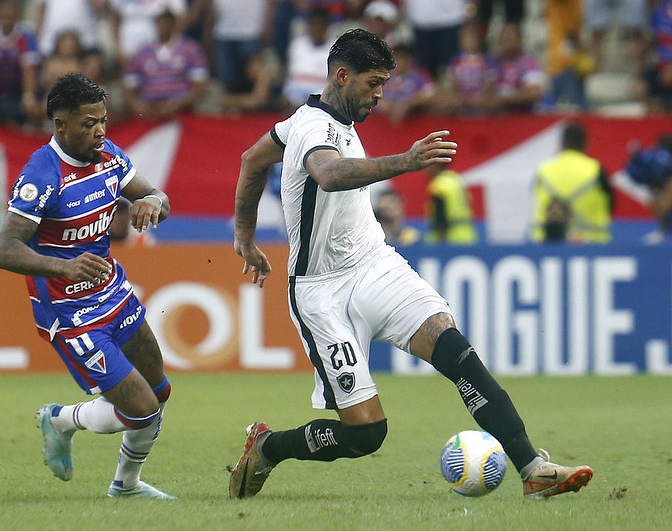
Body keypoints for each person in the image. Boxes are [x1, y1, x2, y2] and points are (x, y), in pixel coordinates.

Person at [230, 28, 593, 500]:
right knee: (366, 434)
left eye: (384, 82)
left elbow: (252, 158)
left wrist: (243, 236)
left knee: (455, 349)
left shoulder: (311, 123)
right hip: (321, 292)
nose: (380, 94)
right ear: (342, 75)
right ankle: (269, 446)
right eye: (372, 83)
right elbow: (330, 173)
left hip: (374, 266)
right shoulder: (312, 128)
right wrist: (406, 160)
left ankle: (532, 468)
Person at [0, 73, 175, 500]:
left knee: (160, 391)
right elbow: (3, 250)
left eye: (103, 120)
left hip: (113, 292)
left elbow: (158, 198)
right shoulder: (43, 175)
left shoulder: (108, 155)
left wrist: (153, 201)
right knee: (142, 410)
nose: (101, 131)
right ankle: (61, 419)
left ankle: (126, 486)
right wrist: (63, 267)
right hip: (69, 313)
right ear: (61, 125)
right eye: (89, 123)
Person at [531, 122, 613, 243]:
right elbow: (610, 205)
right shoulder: (596, 170)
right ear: (585, 143)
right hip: (592, 244)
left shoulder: (543, 170)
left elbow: (535, 198)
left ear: (562, 143)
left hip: (545, 242)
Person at [121, 8, 208, 120]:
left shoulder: (190, 49)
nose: (162, 25)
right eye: (159, 21)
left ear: (174, 23)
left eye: (166, 22)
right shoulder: (142, 52)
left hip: (182, 113)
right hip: (149, 113)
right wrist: (138, 106)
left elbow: (199, 87)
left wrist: (178, 104)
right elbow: (129, 87)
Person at [425, 162, 478, 243]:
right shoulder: (457, 180)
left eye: (428, 165)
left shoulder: (439, 185)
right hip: (467, 235)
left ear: (437, 165)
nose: (425, 169)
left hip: (449, 238)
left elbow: (440, 218)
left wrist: (440, 242)